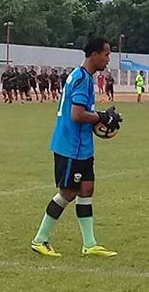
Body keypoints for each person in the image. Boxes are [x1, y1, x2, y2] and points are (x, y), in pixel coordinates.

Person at [30, 37, 120, 258]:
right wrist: (101, 117)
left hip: (82, 147)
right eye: (106, 54)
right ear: (94, 55)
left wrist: (101, 120)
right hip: (71, 147)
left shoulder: (83, 77)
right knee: (68, 192)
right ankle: (40, 239)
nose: (108, 59)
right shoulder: (81, 79)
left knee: (86, 190)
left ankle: (89, 244)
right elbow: (77, 115)